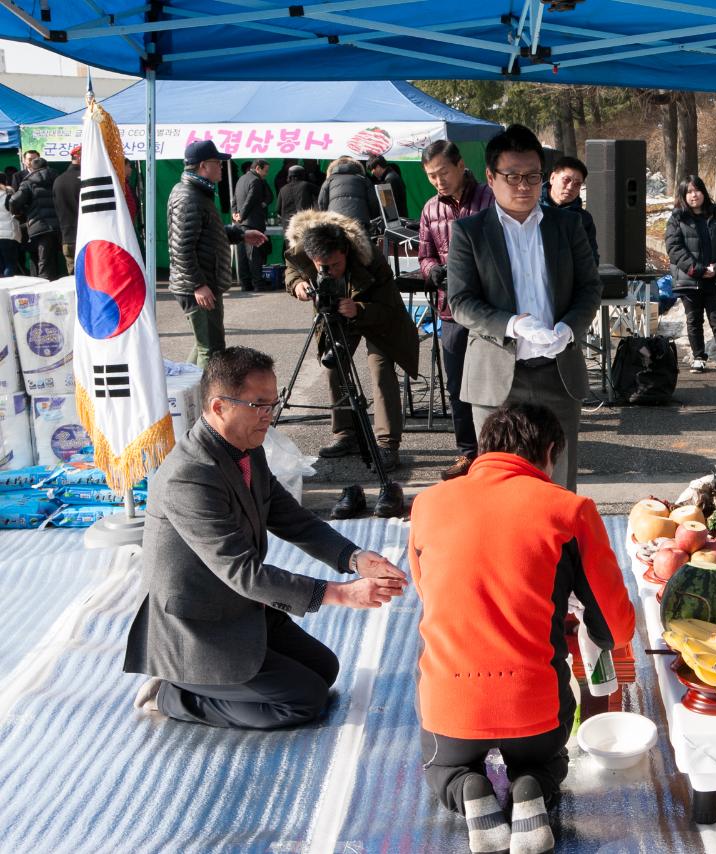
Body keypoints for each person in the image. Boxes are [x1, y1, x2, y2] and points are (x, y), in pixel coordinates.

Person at [124, 346, 408, 729]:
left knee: (325, 670)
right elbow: (244, 574)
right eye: (258, 405)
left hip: (238, 608)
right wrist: (343, 593)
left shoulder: (244, 447)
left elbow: (289, 517)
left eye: (272, 404)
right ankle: (174, 695)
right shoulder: (188, 476)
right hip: (195, 629)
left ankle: (205, 684)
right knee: (302, 701)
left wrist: (354, 558)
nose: (268, 417)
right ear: (219, 406)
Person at [408, 402, 635, 854]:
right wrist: (593, 636)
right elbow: (613, 622)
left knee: (443, 768)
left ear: (484, 448)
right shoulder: (569, 509)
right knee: (550, 759)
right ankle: (533, 785)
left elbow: (426, 590)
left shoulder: (427, 503)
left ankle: (466, 788)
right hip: (533, 700)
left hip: (451, 701)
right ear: (549, 452)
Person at [447, 123, 601, 493]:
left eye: (533, 176)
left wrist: (569, 328)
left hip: (558, 372)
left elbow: (589, 288)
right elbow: (461, 302)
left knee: (559, 484)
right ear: (490, 177)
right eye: (512, 176)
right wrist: (512, 325)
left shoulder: (566, 226)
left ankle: (560, 550)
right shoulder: (470, 231)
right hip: (498, 376)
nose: (523, 186)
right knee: (498, 487)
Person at [284, 208, 419, 516]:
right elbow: (290, 271)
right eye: (322, 267)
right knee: (334, 365)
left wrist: (359, 309)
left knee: (381, 368)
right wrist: (298, 286)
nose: (328, 271)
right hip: (334, 315)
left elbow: (389, 309)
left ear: (345, 251)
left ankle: (387, 443)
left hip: (375, 317)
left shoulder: (371, 260)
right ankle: (344, 433)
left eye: (334, 265)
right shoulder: (302, 251)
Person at [417, 139, 495, 480]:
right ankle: (468, 453)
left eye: (443, 172)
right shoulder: (430, 209)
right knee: (458, 386)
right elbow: (424, 254)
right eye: (432, 176)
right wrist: (432, 270)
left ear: (461, 165)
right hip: (450, 310)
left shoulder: (490, 199)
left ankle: (497, 455)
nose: (439, 181)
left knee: (495, 384)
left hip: (491, 308)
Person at [167, 139, 267, 366]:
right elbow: (181, 247)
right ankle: (205, 399)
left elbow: (207, 232)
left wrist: (240, 234)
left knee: (204, 345)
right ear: (203, 166)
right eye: (218, 163)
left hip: (202, 281)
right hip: (198, 284)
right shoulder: (189, 196)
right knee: (211, 351)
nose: (222, 167)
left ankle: (189, 394)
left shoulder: (197, 192)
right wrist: (197, 285)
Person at [665, 175, 716, 376]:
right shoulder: (677, 219)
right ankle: (698, 357)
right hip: (690, 279)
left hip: (714, 279)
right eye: (688, 191)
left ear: (704, 192)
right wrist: (697, 269)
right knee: (694, 320)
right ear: (683, 195)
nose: (693, 195)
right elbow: (674, 248)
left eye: (697, 190)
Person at [6, 156, 61, 280]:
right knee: (63, 259)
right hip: (61, 224)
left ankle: (46, 291)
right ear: (47, 166)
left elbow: (14, 201)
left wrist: (19, 214)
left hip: (40, 225)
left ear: (31, 168)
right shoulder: (58, 178)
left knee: (44, 260)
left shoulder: (28, 182)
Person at [540, 155, 598, 264]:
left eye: (577, 184)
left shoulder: (583, 218)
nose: (570, 187)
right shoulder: (531, 208)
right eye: (566, 180)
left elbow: (592, 260)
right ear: (552, 178)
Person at [232, 158, 272, 291]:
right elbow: (250, 200)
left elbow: (234, 199)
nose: (266, 174)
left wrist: (235, 214)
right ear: (258, 168)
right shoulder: (256, 181)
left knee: (243, 255)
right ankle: (258, 284)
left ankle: (245, 284)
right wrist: (242, 215)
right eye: (265, 170)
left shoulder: (241, 179)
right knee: (254, 256)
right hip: (252, 222)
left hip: (240, 223)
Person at [317, 156, 379, 237]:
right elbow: (373, 202)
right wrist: (371, 217)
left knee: (337, 247)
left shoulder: (329, 180)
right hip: (360, 222)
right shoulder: (364, 179)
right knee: (361, 247)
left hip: (335, 221)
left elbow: (321, 203)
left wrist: (326, 217)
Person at [52, 145, 82, 275]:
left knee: (74, 279)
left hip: (67, 236)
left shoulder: (59, 180)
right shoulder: (87, 178)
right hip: (87, 236)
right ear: (80, 157)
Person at [277, 164, 319, 252]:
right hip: (303, 223)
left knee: (290, 251)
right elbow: (321, 195)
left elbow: (278, 209)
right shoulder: (306, 185)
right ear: (302, 174)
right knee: (305, 251)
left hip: (288, 226)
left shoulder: (283, 189)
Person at [366, 155, 407, 221]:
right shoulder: (393, 175)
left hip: (396, 221)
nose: (372, 173)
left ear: (378, 167)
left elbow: (388, 207)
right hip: (399, 218)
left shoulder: (389, 180)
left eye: (372, 170)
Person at [0, 184, 22, 276]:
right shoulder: (7, 196)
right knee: (10, 264)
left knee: (1, 265)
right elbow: (17, 213)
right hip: (8, 235)